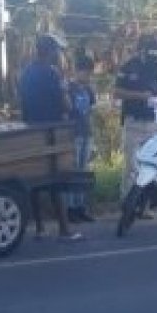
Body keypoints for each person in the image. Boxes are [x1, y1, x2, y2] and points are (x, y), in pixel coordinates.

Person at [18, 33, 83, 242]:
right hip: (52, 131)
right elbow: (66, 105)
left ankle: (39, 228)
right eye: (57, 50)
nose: (59, 54)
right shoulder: (52, 73)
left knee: (36, 181)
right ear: (50, 51)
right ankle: (65, 229)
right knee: (56, 179)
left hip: (31, 129)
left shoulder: (26, 72)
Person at [113, 36, 157, 198]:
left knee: (151, 165)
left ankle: (145, 203)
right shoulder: (129, 66)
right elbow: (117, 92)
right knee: (132, 166)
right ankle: (128, 202)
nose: (153, 56)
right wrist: (140, 95)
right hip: (134, 122)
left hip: (155, 123)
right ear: (141, 50)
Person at [66, 55, 97, 222]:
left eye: (90, 73)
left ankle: (81, 207)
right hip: (73, 134)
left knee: (83, 171)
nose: (88, 76)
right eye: (86, 72)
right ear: (77, 71)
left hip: (87, 132)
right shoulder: (69, 88)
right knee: (73, 172)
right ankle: (70, 209)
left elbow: (90, 110)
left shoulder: (89, 89)